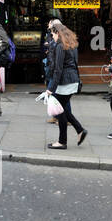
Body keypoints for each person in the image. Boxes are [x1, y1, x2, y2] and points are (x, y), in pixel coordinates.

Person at [44, 21, 86, 149]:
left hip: (65, 82)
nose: (52, 36)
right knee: (64, 110)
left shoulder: (60, 46)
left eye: (52, 33)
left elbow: (58, 69)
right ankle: (80, 130)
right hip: (72, 81)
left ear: (57, 32)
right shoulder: (71, 44)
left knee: (59, 111)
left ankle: (62, 142)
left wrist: (51, 88)